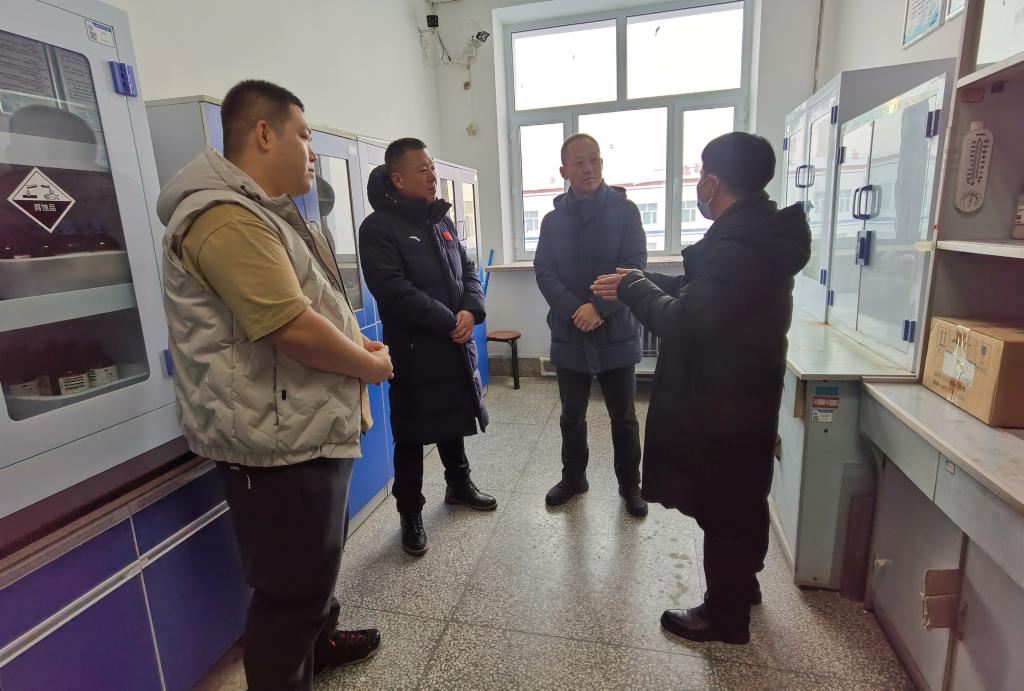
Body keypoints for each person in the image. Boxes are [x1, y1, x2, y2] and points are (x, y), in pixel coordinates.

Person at [158, 80, 392, 690]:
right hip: (278, 446)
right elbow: (289, 326)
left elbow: (309, 306)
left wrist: (355, 342)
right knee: (289, 598)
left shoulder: (264, 212)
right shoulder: (225, 219)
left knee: (312, 576)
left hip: (300, 426)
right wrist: (368, 366)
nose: (312, 152)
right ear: (264, 134)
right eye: (305, 136)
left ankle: (322, 641)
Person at [593, 132, 811, 644]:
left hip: (728, 398)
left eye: (699, 174)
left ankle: (724, 615)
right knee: (742, 495)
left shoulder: (741, 244)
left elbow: (685, 320)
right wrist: (642, 279)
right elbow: (704, 293)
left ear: (713, 182)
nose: (697, 184)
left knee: (725, 501)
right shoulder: (755, 231)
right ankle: (741, 586)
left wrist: (633, 288)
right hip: (743, 391)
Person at [358, 138, 493, 557]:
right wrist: (449, 320)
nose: (433, 176)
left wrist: (471, 309)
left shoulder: (440, 221)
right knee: (412, 433)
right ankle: (410, 513)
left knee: (453, 417)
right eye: (423, 170)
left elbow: (467, 269)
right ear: (398, 179)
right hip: (414, 350)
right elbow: (392, 289)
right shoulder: (378, 228)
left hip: (453, 342)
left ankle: (459, 485)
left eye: (433, 168)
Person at [534, 133, 648, 516]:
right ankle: (573, 478)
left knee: (624, 417)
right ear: (564, 171)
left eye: (594, 160)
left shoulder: (625, 212)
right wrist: (575, 309)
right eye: (579, 162)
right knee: (571, 415)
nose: (589, 168)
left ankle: (630, 485)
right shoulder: (552, 221)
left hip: (616, 328)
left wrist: (599, 307)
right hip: (570, 331)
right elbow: (544, 271)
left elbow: (635, 266)